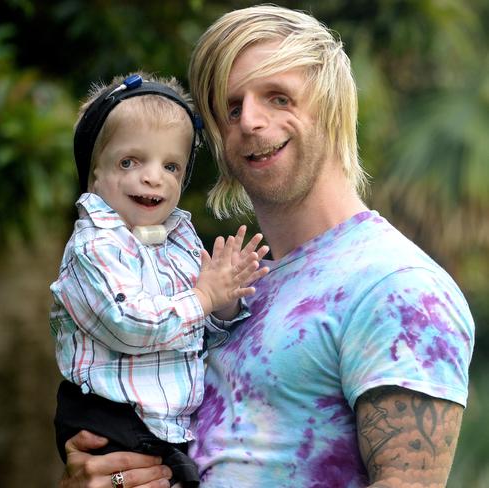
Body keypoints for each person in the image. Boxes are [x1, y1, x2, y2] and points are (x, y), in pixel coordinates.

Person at [58, 5, 475, 488]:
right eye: (232, 108)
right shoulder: (228, 291)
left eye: (278, 98)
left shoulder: (397, 286)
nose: (250, 121)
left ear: (332, 107)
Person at [49, 72, 270, 488]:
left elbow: (193, 334)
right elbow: (131, 326)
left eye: (170, 166)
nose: (153, 177)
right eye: (130, 162)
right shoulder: (93, 248)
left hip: (162, 424)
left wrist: (223, 303)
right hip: (109, 417)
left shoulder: (176, 244)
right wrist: (202, 297)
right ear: (94, 175)